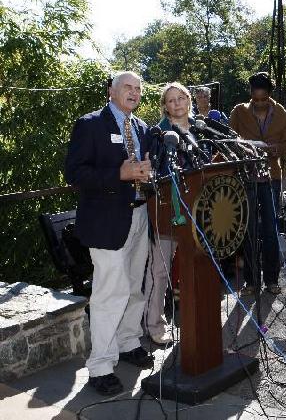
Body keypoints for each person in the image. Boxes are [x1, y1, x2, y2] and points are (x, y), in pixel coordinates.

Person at [64, 71, 154, 396]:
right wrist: (117, 173)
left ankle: (129, 342)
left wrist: (148, 172)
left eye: (138, 89)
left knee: (134, 286)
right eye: (127, 87)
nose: (133, 93)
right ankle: (101, 365)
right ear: (112, 92)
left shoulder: (141, 128)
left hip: (139, 216)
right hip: (105, 223)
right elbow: (75, 173)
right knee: (109, 293)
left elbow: (143, 168)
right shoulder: (90, 124)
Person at [143, 82, 196, 345]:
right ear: (165, 106)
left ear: (189, 100)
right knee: (160, 270)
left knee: (197, 268)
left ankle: (199, 321)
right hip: (167, 212)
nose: (177, 104)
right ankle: (154, 325)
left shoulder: (201, 129)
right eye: (171, 100)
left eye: (181, 98)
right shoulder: (157, 134)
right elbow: (152, 172)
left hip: (199, 212)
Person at [229, 72, 286, 295]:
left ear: (270, 96)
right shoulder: (238, 112)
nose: (259, 103)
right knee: (248, 229)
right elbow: (229, 140)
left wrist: (274, 149)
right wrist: (245, 148)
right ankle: (251, 281)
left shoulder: (282, 114)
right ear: (250, 96)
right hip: (246, 176)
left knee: (270, 230)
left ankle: (272, 280)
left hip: (271, 177)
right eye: (255, 100)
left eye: (263, 99)